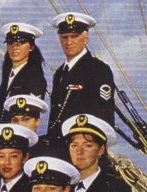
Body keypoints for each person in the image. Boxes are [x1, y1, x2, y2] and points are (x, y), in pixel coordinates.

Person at [47, 12, 115, 141]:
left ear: (85, 39)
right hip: (58, 143)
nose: (69, 42)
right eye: (65, 37)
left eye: (74, 36)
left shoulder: (98, 69)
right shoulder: (60, 73)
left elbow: (103, 115)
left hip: (83, 143)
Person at [61, 115, 134, 192]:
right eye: (74, 145)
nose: (79, 152)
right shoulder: (61, 186)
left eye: (87, 146)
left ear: (101, 150)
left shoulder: (117, 189)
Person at [0, 23, 48, 121]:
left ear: (31, 47)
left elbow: (29, 118)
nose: (14, 48)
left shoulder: (35, 78)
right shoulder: (8, 76)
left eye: (20, 43)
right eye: (10, 43)